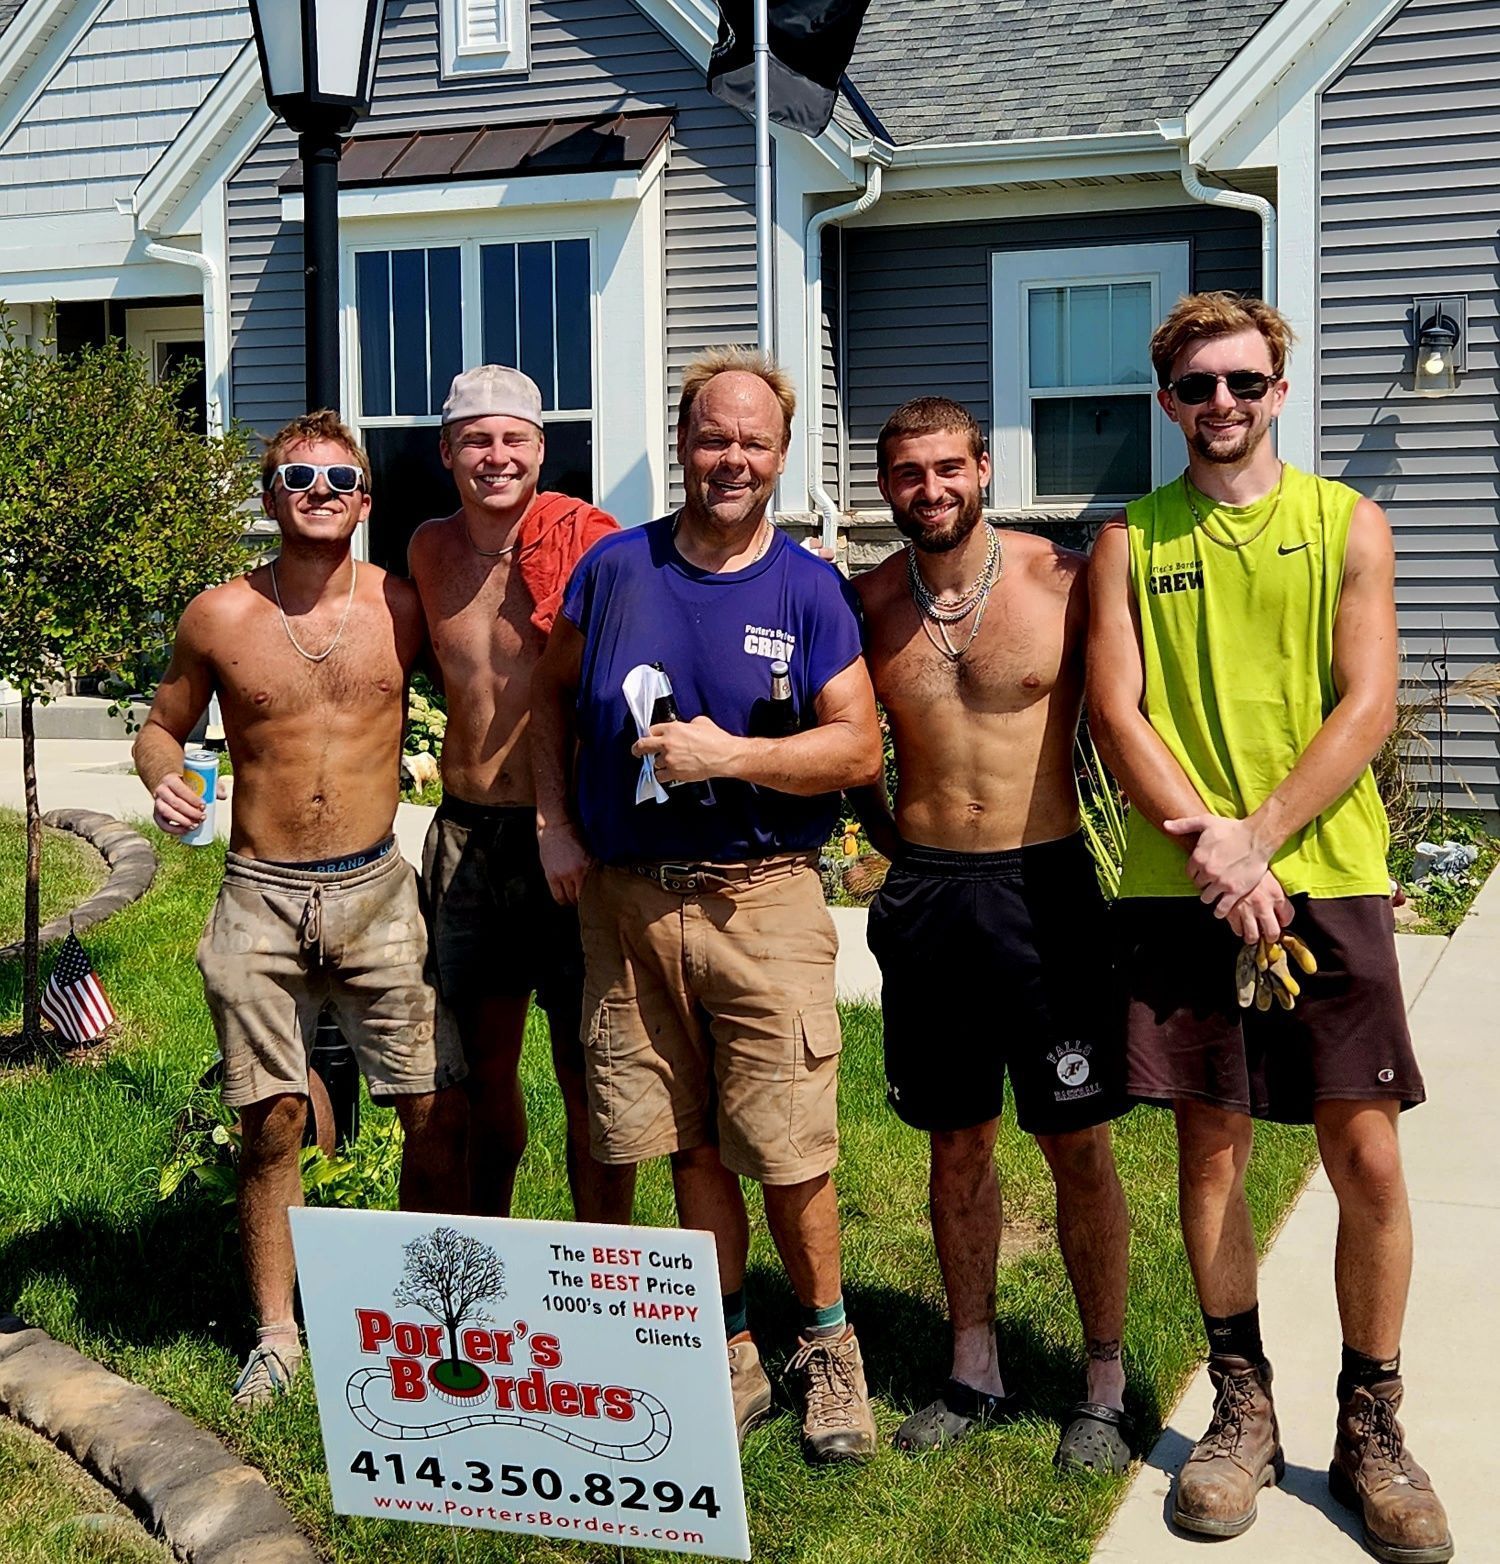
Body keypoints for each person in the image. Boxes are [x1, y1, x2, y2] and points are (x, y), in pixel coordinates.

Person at [1088, 292, 1452, 1560]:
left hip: (1329, 873)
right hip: (1182, 886)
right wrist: (1214, 849)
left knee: (1369, 1158)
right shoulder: (1131, 541)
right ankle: (1242, 1406)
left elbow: (1366, 702)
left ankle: (1374, 1424)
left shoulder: (1348, 524)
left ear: (1280, 389)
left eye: (1244, 382)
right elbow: (1117, 712)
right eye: (1198, 388)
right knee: (1215, 1150)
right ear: (1168, 401)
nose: (1223, 405)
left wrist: (1264, 838)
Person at [530, 347, 884, 1463]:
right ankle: (727, 1348)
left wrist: (731, 754)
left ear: (782, 456)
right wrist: (552, 820)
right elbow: (549, 701)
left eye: (754, 442)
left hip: (759, 901)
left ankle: (829, 1353)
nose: (731, 457)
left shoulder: (807, 587)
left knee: (789, 1148)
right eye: (712, 437)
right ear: (681, 445)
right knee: (682, 1141)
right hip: (628, 907)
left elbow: (857, 745)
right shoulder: (612, 570)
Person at [134, 411, 467, 1408]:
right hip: (259, 896)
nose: (319, 491)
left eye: (338, 478)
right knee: (271, 1119)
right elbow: (162, 723)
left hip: (376, 891)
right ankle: (278, 1336)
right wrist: (164, 777)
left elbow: (493, 688)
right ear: (271, 495)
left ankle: (413, 1314)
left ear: (365, 500)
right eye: (297, 477)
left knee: (431, 1111)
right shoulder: (220, 615)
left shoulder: (404, 607)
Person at [852, 397, 1132, 1472]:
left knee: (1077, 1139)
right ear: (887, 486)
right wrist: (894, 843)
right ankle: (973, 1365)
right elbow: (841, 739)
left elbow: (1133, 716)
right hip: (927, 896)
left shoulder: (1061, 581)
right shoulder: (869, 601)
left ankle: (1101, 1376)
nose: (931, 489)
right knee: (955, 1138)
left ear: (982, 467)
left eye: (948, 467)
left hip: (1045, 888)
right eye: (908, 473)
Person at [408, 366, 634, 1223]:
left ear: (542, 451)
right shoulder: (429, 550)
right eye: (476, 440)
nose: (495, 457)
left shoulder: (589, 544)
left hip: (567, 841)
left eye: (513, 440)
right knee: (478, 1069)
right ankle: (486, 1257)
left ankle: (598, 1264)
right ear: (445, 452)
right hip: (467, 838)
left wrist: (561, 819)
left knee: (589, 1068)